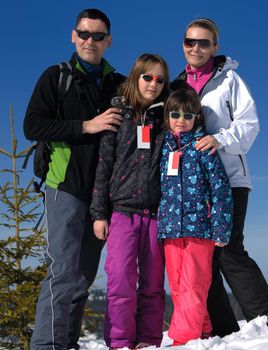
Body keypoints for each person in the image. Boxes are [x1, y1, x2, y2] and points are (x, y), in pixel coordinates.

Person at [170, 18, 268, 336]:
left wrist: (220, 139)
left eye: (204, 43)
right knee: (204, 255)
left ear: (215, 47)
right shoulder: (176, 86)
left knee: (228, 247)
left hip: (229, 177)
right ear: (183, 45)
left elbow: (250, 124)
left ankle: (266, 318)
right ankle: (222, 328)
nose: (196, 48)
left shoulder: (229, 81)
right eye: (190, 42)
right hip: (191, 184)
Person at [24, 9, 125, 350]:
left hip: (102, 194)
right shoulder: (56, 77)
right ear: (73, 35)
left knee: (82, 277)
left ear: (108, 41)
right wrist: (87, 125)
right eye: (84, 34)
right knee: (63, 272)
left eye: (98, 36)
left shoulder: (117, 83)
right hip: (64, 186)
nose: (89, 41)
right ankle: (45, 345)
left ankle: (66, 343)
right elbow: (32, 126)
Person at [89, 53, 169, 349]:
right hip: (121, 211)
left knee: (151, 285)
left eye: (160, 79)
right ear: (135, 77)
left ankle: (148, 341)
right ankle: (120, 343)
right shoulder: (118, 113)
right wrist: (99, 213)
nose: (153, 84)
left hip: (156, 213)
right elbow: (103, 164)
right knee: (120, 280)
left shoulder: (166, 117)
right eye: (147, 77)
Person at [158, 88, 233, 346]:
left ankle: (182, 340)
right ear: (167, 116)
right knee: (179, 287)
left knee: (194, 285)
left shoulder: (203, 148)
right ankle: (203, 332)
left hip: (199, 229)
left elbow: (220, 189)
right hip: (170, 229)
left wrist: (221, 228)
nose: (181, 119)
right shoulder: (164, 149)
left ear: (196, 119)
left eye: (188, 115)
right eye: (175, 114)